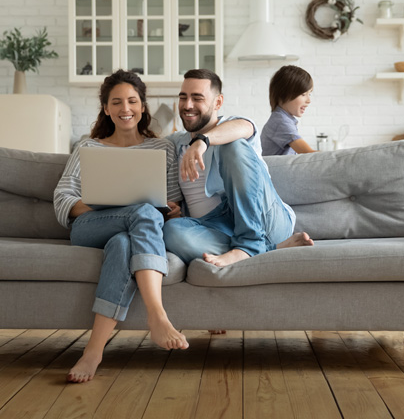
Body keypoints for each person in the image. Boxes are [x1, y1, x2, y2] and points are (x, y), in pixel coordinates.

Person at [53, 69, 188, 383]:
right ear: (106, 108)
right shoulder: (89, 149)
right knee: (141, 211)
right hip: (90, 226)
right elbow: (62, 197)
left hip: (133, 232)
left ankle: (94, 351)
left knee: (123, 244)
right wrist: (106, 203)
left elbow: (171, 200)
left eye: (132, 101)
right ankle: (157, 315)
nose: (125, 108)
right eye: (116, 102)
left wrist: (174, 208)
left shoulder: (162, 149)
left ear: (142, 106)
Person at [163, 68, 313, 268]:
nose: (188, 105)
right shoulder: (175, 142)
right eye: (183, 97)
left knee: (232, 143)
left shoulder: (234, 125)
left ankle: (249, 244)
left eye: (197, 98)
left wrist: (203, 141)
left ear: (218, 102)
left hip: (265, 218)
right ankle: (269, 249)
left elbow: (243, 128)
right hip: (215, 226)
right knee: (171, 231)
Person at [261, 65, 317, 156]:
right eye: (303, 94)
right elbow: (309, 154)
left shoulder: (283, 119)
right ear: (283, 94)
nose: (308, 100)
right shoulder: (281, 122)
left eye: (309, 94)